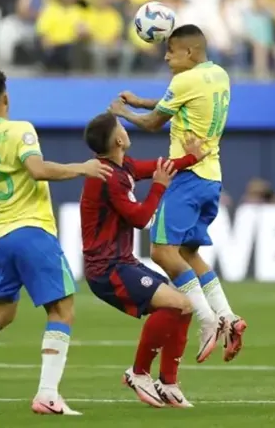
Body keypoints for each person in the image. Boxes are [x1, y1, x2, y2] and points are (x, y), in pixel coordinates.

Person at [0, 68, 112, 416]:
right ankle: (47, 394)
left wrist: (5, 203)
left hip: (1, 236)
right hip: (33, 229)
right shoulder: (20, 130)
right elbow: (38, 169)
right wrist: (83, 168)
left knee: (1, 311)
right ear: (5, 97)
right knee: (62, 310)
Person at [108, 24, 247, 364]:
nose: (166, 55)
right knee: (187, 253)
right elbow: (178, 103)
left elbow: (156, 123)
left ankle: (207, 319)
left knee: (160, 251)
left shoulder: (183, 81)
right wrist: (143, 101)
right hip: (211, 176)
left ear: (188, 52)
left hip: (186, 177)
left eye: (170, 50)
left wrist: (124, 113)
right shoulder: (218, 74)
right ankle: (228, 316)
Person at [81, 112, 209, 408]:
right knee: (177, 303)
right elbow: (139, 218)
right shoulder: (105, 178)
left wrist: (191, 158)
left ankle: (168, 382)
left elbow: (157, 167)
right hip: (107, 269)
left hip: (122, 262)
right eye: (121, 127)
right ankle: (138, 373)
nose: (126, 131)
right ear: (117, 139)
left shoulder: (121, 166)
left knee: (184, 306)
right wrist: (160, 187)